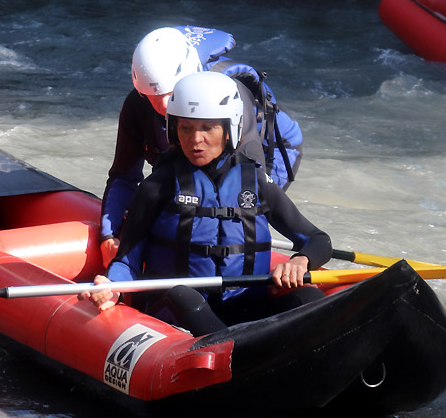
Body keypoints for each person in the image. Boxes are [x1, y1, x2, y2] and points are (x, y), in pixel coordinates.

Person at [81, 71, 332, 335]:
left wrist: (301, 260)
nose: (195, 139)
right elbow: (127, 262)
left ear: (229, 129)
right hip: (176, 312)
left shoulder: (254, 181)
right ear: (174, 129)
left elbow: (319, 240)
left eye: (208, 128)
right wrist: (113, 286)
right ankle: (230, 352)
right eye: (186, 127)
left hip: (244, 308)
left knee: (310, 299)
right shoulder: (159, 184)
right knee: (183, 295)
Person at [100, 26, 304, 262]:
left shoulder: (228, 98)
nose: (165, 106)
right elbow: (124, 176)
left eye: (171, 94)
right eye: (155, 98)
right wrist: (109, 233)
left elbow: (247, 179)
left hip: (274, 152)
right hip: (195, 152)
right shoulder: (137, 103)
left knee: (220, 210)